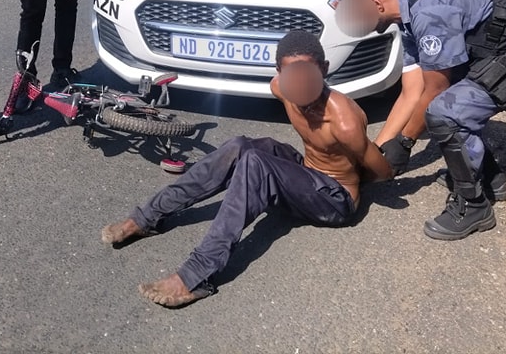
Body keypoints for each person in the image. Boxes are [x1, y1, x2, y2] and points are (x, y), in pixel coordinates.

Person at [100, 30, 392, 308]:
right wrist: (293, 179)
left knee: (256, 165)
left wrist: (351, 177)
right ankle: (148, 216)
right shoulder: (282, 89)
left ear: (324, 70)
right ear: (279, 71)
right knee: (240, 146)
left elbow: (382, 171)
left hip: (334, 198)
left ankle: (195, 276)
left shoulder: (343, 119)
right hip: (306, 172)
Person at [335, 0, 506, 241]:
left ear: (376, 5)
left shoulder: (430, 13)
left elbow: (435, 90)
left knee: (445, 112)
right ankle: (491, 179)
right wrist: (380, 152)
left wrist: (406, 142)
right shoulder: (408, 17)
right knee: (455, 98)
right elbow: (412, 93)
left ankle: (474, 206)